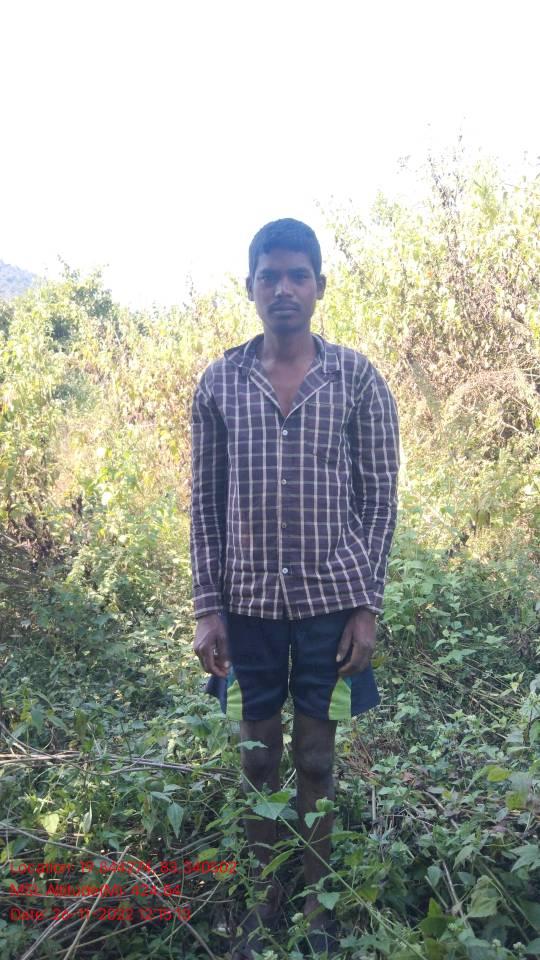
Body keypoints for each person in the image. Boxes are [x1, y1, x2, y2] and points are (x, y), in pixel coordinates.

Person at [190, 218, 400, 958]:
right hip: (245, 607)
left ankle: (317, 905)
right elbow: (204, 504)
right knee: (257, 757)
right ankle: (263, 896)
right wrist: (207, 608)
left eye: (298, 275)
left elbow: (379, 499)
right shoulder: (219, 382)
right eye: (269, 276)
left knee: (315, 756)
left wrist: (366, 606)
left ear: (319, 286)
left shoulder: (356, 379)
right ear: (250, 287)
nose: (284, 288)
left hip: (329, 609)